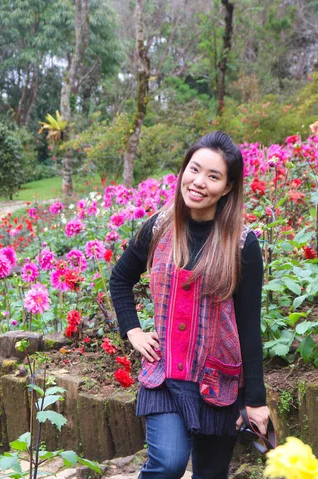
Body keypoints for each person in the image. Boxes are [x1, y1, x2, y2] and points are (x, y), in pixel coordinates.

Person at [109, 131, 270, 479]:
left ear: (227, 187)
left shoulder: (242, 245)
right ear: (183, 170)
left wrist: (255, 399)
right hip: (165, 377)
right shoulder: (160, 226)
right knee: (168, 463)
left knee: (210, 475)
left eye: (213, 176)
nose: (199, 182)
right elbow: (120, 279)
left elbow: (248, 327)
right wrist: (133, 331)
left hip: (219, 384)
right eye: (194, 170)